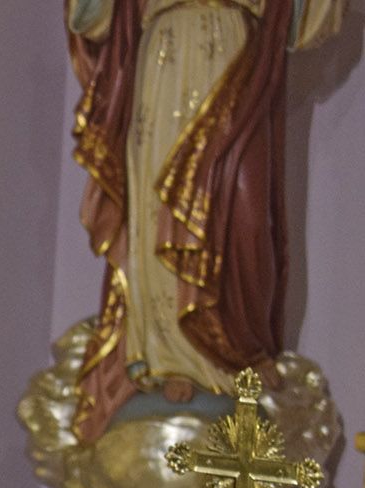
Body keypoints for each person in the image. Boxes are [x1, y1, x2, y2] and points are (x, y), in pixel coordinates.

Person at [66, 0, 345, 439]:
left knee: (244, 215)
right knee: (157, 208)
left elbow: (300, 23)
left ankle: (233, 350)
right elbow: (98, 16)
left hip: (236, 57)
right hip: (164, 53)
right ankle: (169, 359)